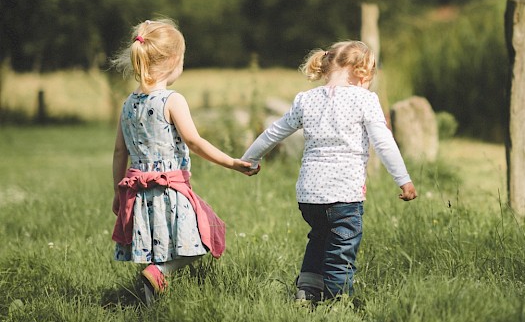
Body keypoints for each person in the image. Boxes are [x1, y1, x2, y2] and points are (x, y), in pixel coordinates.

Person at [242, 40, 417, 305]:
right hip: (343, 194)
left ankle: (307, 293)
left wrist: (249, 159)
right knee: (340, 250)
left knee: (319, 237)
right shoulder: (365, 99)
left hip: (309, 196)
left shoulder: (306, 99)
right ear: (362, 73)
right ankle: (338, 302)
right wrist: (403, 179)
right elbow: (384, 142)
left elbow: (274, 132)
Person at [110, 18, 258, 306]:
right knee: (199, 243)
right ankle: (159, 271)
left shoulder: (128, 103)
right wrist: (232, 162)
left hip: (138, 191)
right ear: (173, 62)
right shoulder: (172, 100)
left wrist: (118, 192)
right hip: (169, 190)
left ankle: (151, 298)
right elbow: (194, 141)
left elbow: (119, 151)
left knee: (156, 245)